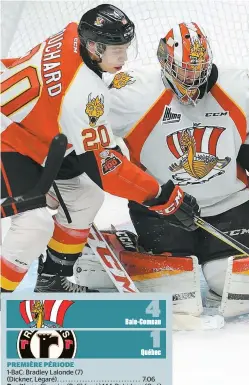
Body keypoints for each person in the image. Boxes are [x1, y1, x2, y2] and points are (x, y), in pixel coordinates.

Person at [74, 22, 249, 325]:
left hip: (229, 204)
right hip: (163, 209)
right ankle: (128, 248)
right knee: (174, 289)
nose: (191, 83)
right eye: (183, 74)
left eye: (198, 72)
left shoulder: (237, 86)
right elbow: (93, 139)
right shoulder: (130, 93)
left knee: (233, 285)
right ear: (165, 63)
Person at [0, 4, 197, 293]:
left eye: (126, 47)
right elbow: (105, 168)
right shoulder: (85, 92)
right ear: (92, 46)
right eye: (116, 50)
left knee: (85, 194)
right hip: (8, 137)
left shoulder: (71, 33)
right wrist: (159, 195)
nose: (124, 57)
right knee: (34, 224)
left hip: (29, 133)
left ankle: (52, 279)